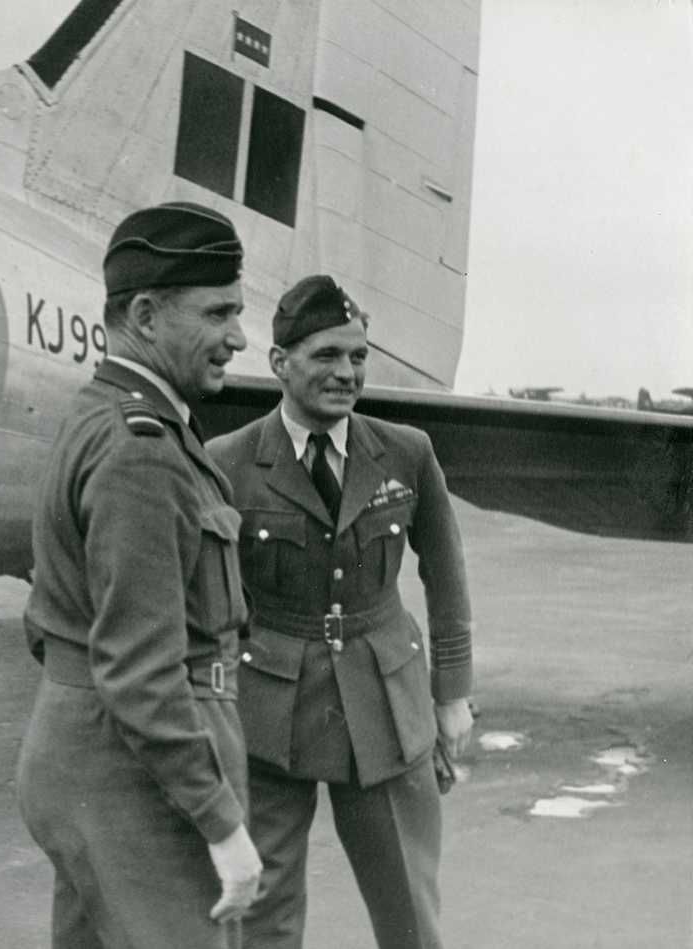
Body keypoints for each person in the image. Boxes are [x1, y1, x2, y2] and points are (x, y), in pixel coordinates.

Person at [16, 201, 263, 949]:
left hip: (88, 754)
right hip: (134, 776)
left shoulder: (103, 415)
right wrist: (220, 821)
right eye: (218, 313)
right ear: (147, 316)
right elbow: (141, 671)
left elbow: (57, 617)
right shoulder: (143, 449)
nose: (238, 337)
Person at [207, 275, 474, 949]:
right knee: (262, 915)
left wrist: (452, 694)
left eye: (358, 356)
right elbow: (205, 603)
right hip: (269, 712)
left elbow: (446, 575)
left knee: (409, 912)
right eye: (326, 355)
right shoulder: (228, 463)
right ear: (279, 362)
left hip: (384, 702)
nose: (346, 372)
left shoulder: (406, 452)